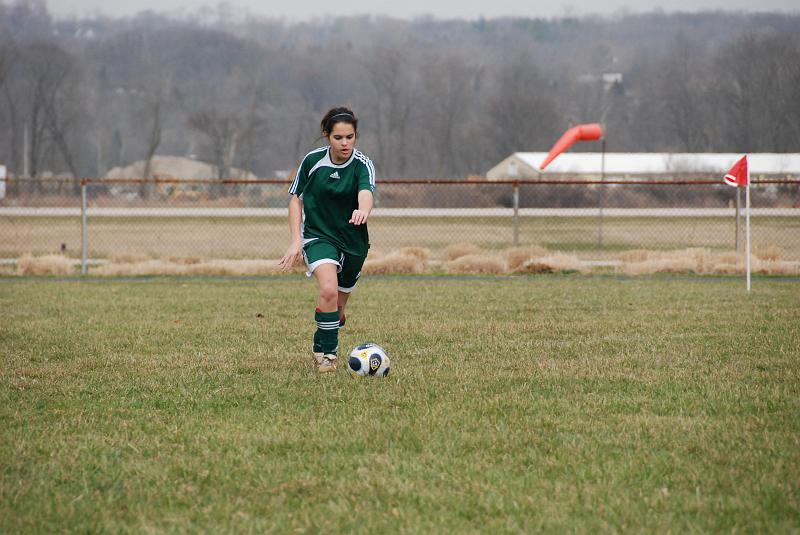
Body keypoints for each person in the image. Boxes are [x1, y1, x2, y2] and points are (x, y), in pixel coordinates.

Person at [278, 107, 376, 373]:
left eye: (350, 137)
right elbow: (295, 200)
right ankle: (326, 355)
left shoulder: (362, 164)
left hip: (354, 242)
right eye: (338, 138)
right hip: (318, 236)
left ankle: (328, 331)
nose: (345, 143)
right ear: (326, 136)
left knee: (338, 311)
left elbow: (366, 192)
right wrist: (296, 240)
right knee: (328, 291)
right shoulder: (312, 161)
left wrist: (363, 210)